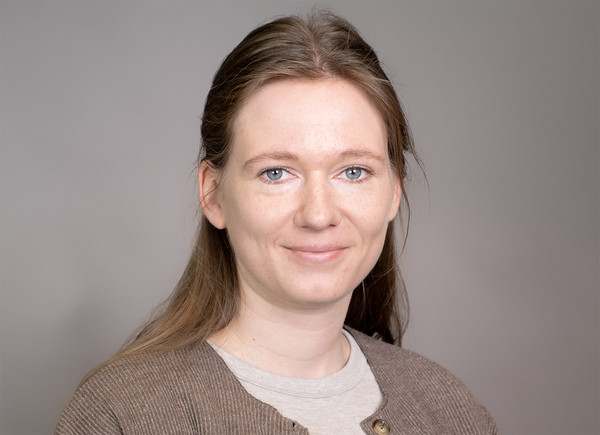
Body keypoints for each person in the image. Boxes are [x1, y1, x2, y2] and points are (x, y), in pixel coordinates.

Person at [56, 11, 499, 435]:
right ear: (213, 194)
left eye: (353, 172)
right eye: (276, 173)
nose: (318, 215)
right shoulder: (122, 415)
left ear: (394, 193)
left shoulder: (449, 408)